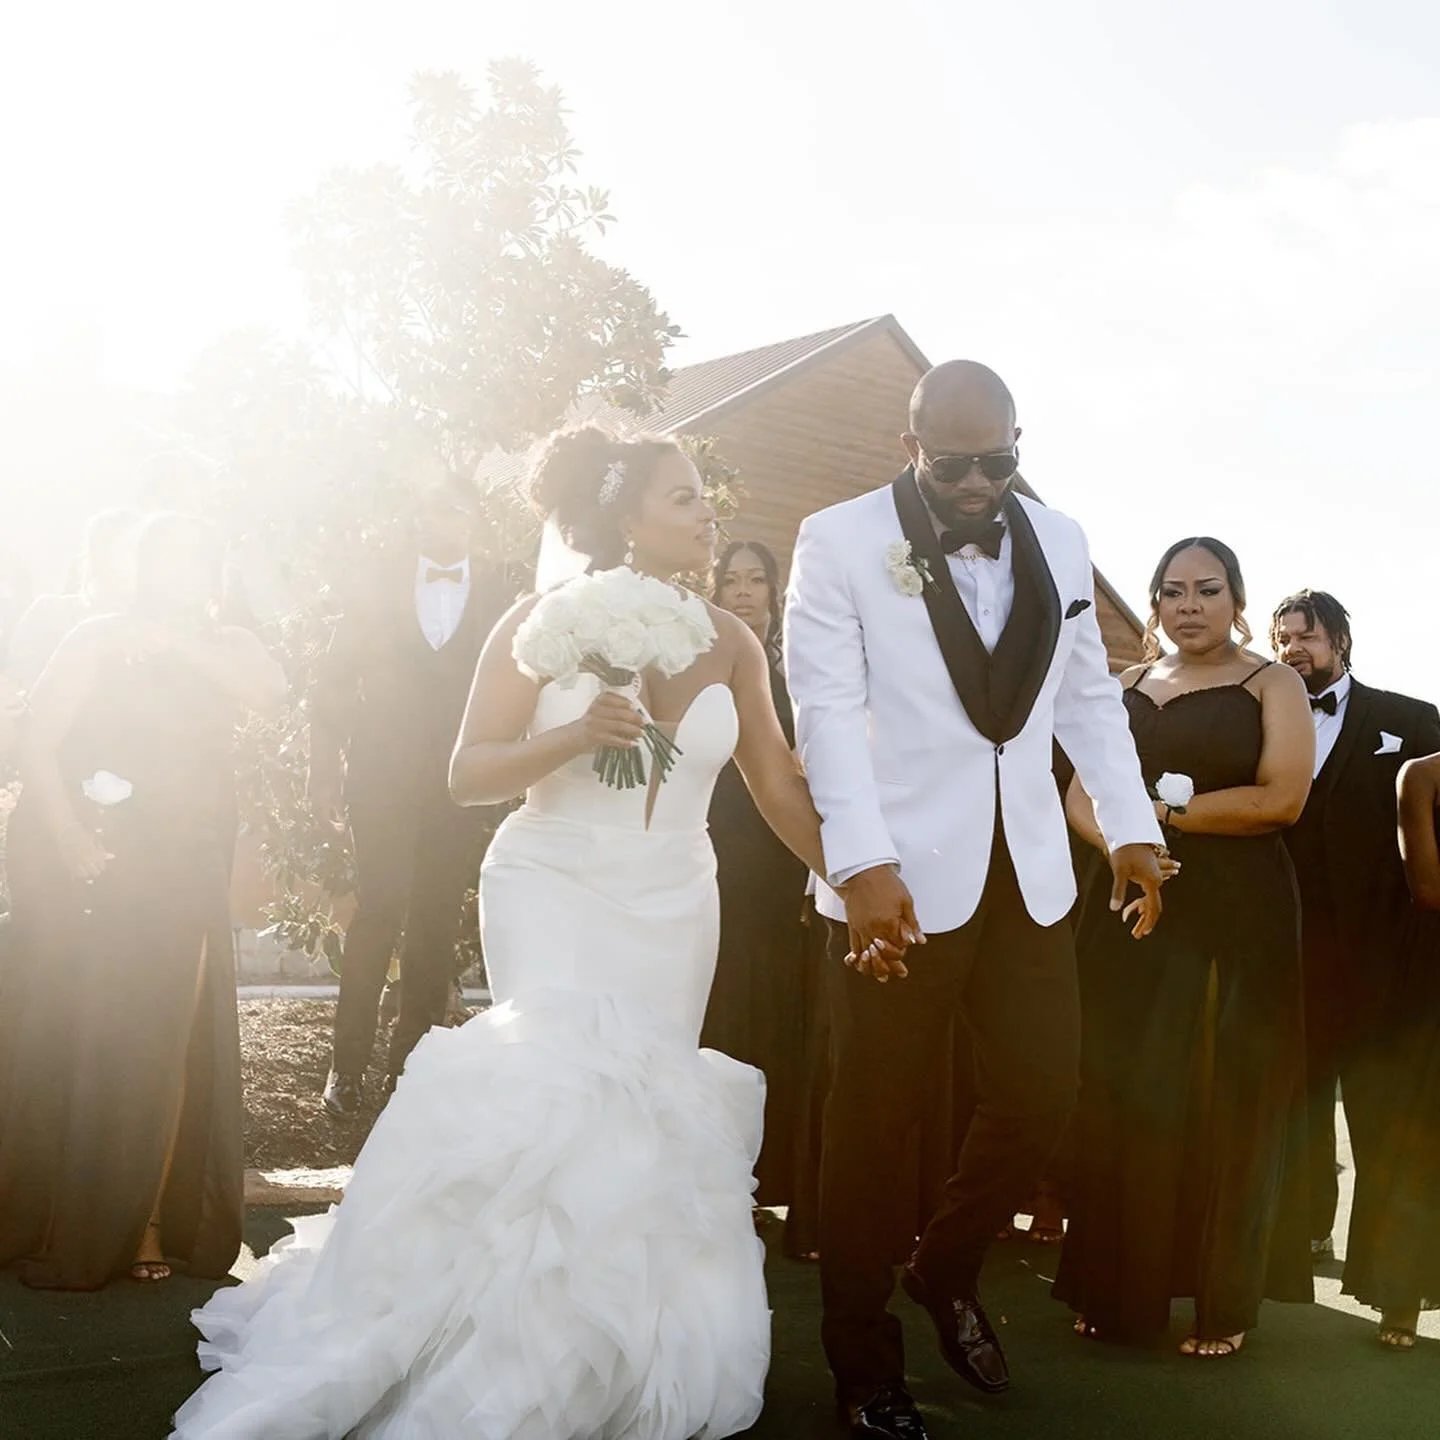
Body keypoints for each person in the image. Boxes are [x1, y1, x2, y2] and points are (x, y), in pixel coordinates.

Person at [173, 426, 833, 1439]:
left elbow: (779, 783)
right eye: (687, 496)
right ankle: (500, 1351)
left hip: (674, 898)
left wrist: (859, 884)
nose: (709, 513)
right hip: (552, 880)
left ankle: (619, 1350)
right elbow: (467, 772)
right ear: (623, 514)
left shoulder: (736, 642)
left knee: (645, 1113)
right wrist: (575, 732)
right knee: (553, 1096)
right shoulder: (538, 621)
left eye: (706, 496)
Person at [785, 360, 1165, 1439]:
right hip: (892, 881)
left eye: (998, 461)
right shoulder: (840, 537)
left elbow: (1089, 697)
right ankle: (864, 1368)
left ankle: (943, 1268)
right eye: (954, 463)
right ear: (911, 446)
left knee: (1045, 1091)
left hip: (1030, 877)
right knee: (872, 1131)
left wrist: (1133, 830)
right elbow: (824, 706)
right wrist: (858, 862)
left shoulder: (1062, 538)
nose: (977, 483)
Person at [0, 512, 286, 1290]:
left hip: (190, 854)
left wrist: (178, 642)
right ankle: (73, 1210)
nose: (186, 569)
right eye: (170, 555)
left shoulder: (231, 644)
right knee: (99, 1036)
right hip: (107, 852)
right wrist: (66, 836)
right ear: (146, 566)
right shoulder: (94, 637)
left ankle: (153, 1221)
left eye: (201, 555)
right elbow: (38, 740)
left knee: (174, 1037)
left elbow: (269, 693)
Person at [1055, 538, 1315, 1356]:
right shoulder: (1119, 687)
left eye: (1208, 589)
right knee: (1124, 1090)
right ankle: (1117, 1291)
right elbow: (1076, 796)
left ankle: (1221, 1303)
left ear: (1238, 599)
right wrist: (1121, 847)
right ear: (1156, 603)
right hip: (1131, 909)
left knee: (1223, 1099)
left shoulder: (1270, 684)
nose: (1189, 605)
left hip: (1241, 918)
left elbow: (1283, 797)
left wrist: (1160, 821)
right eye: (1173, 591)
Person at [311, 475, 513, 1118]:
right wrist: (321, 772)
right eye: (429, 508)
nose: (440, 520)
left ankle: (410, 1070)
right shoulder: (377, 580)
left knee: (433, 919)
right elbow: (335, 683)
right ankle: (346, 1069)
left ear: (474, 519)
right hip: (380, 777)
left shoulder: (505, 588)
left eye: (453, 509)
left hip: (460, 784)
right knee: (380, 908)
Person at [1270, 590, 1440, 1260]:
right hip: (1290, 941)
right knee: (1301, 1093)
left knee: (1380, 1098)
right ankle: (1307, 1228)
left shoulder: (1412, 719)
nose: (1292, 651)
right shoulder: (1264, 717)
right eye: (1283, 639)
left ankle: (1389, 1252)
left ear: (1340, 640)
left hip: (1384, 948)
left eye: (1305, 637)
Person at [705, 539, 812, 1213]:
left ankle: (781, 1176)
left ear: (775, 594)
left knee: (783, 1008)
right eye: (731, 581)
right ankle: (713, 1173)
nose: (744, 592)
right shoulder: (702, 667)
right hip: (714, 851)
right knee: (719, 1006)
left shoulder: (803, 671)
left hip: (784, 860)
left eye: (755, 581)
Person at [1341, 751, 1440, 1347]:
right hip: (1431, 974)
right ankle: (1400, 1296)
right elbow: (1427, 887)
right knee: (1418, 1136)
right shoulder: (1422, 775)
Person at [4, 507, 140, 690]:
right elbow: (18, 686)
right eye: (129, 549)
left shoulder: (158, 625)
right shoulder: (49, 612)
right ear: (98, 555)